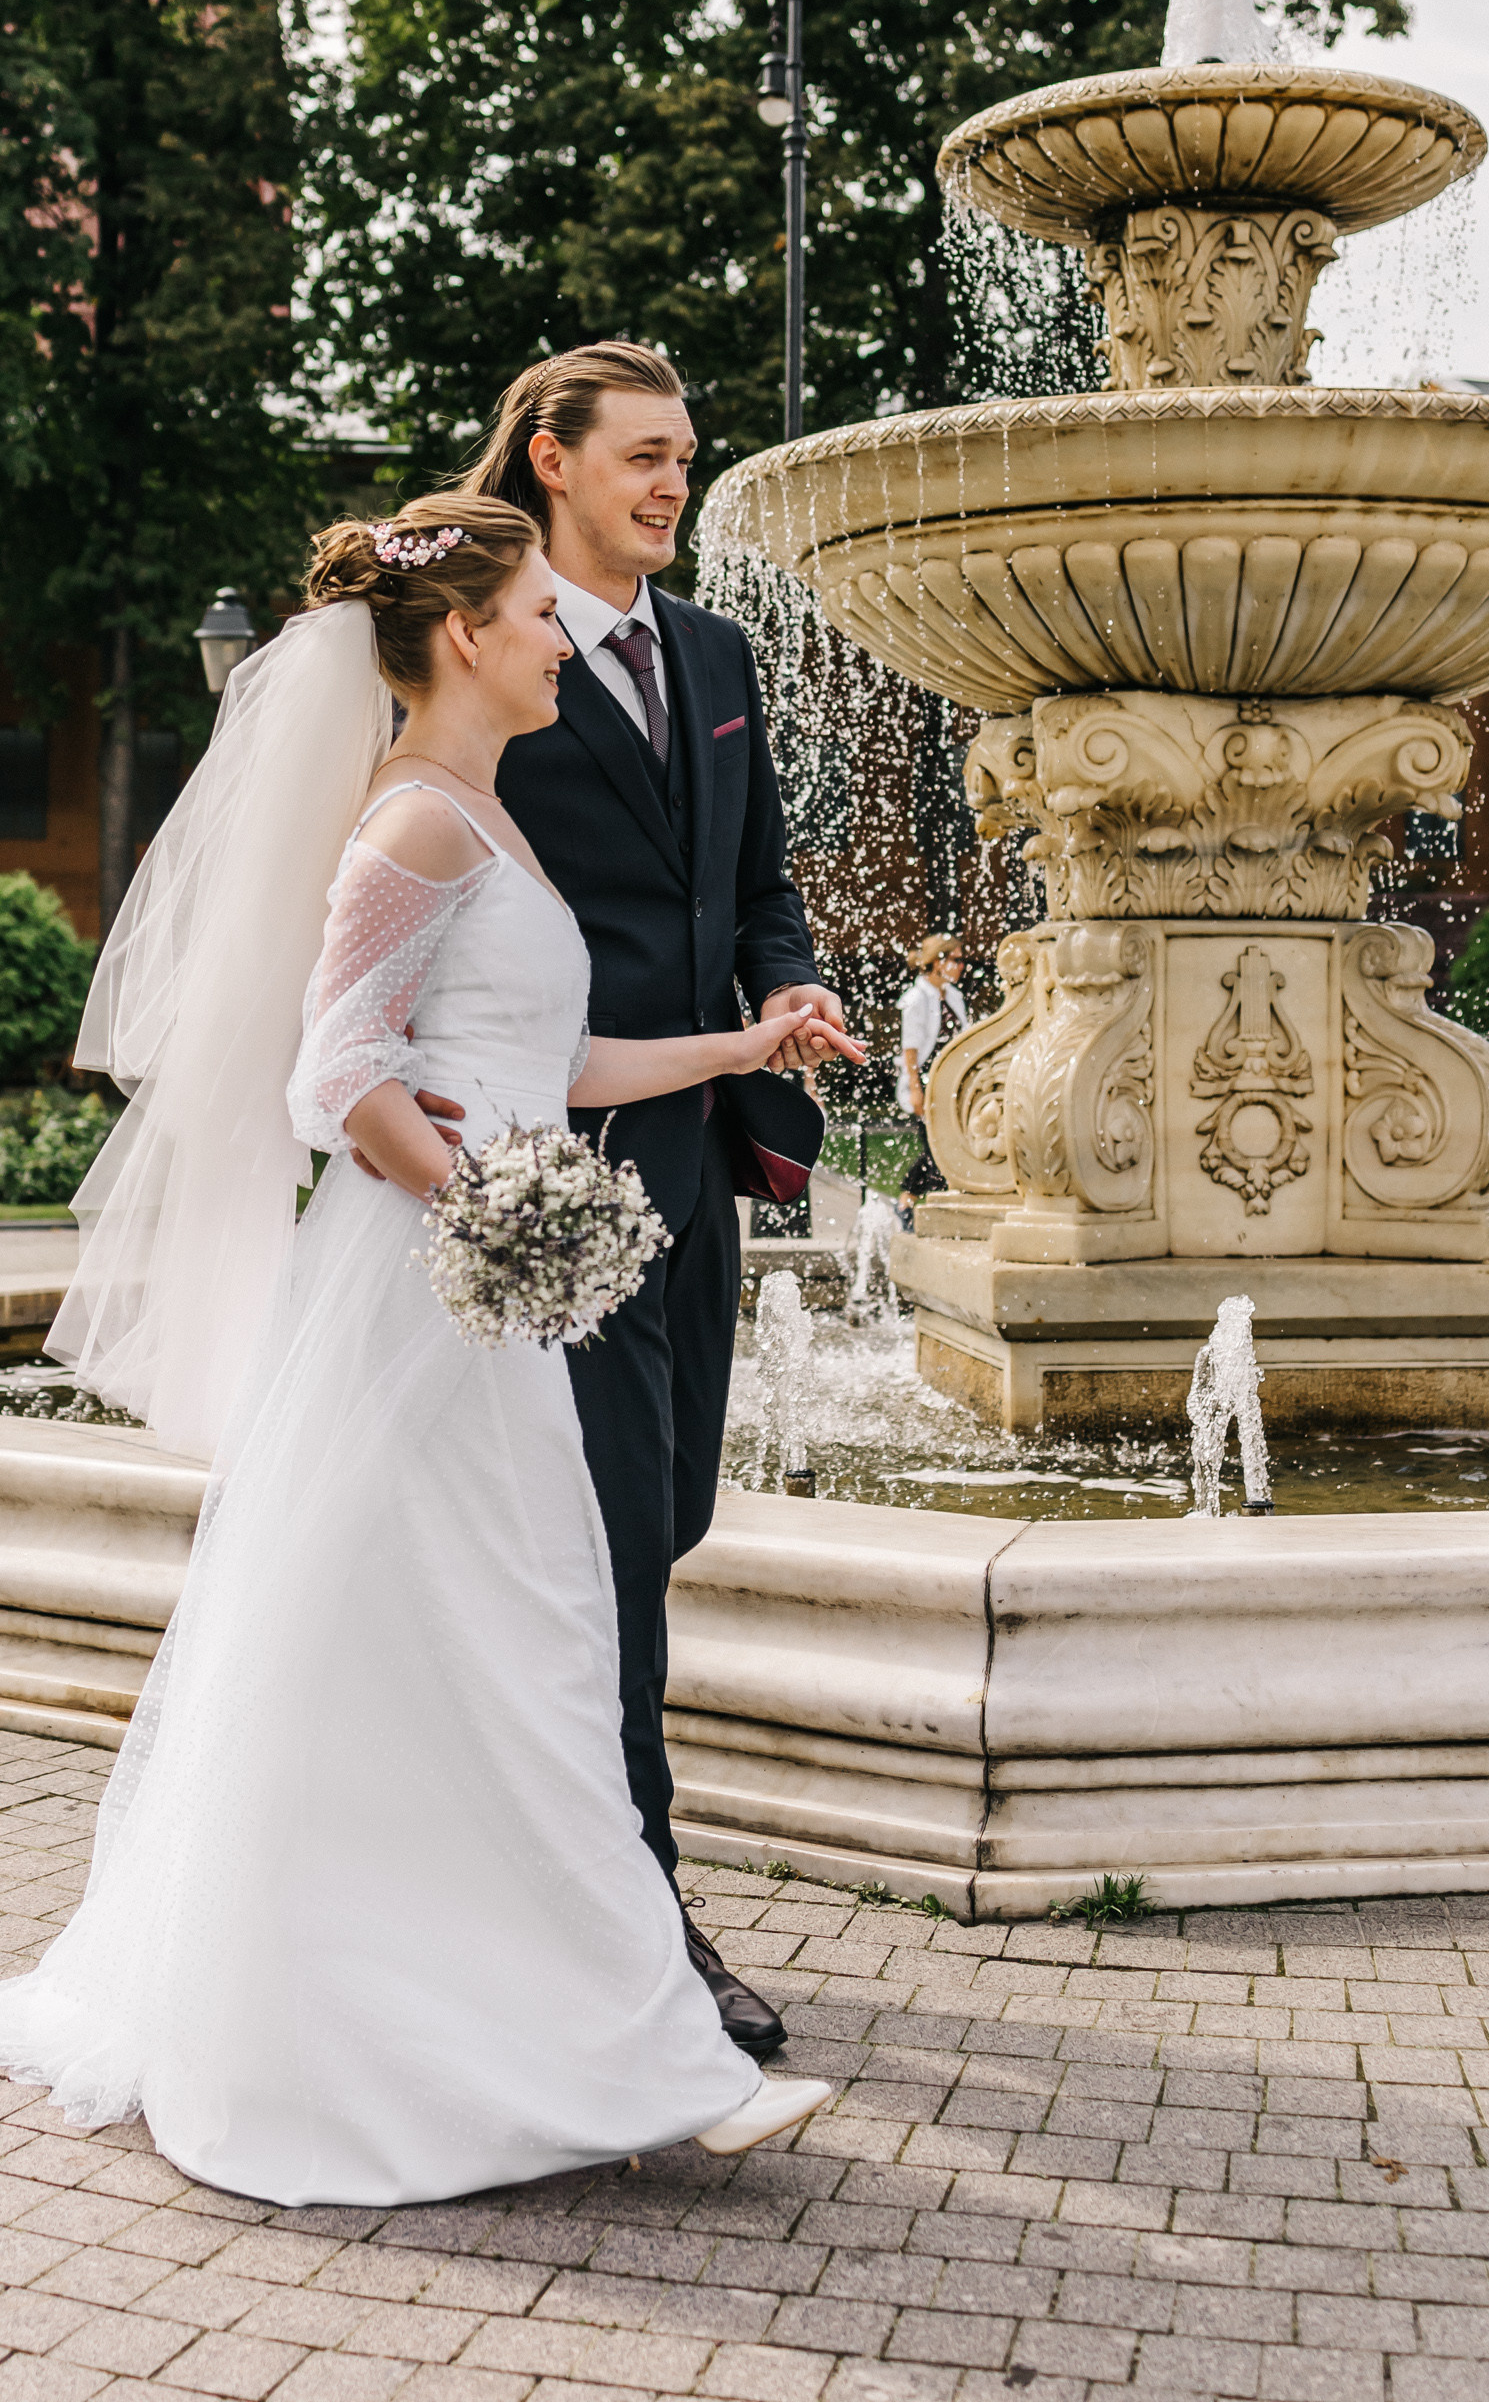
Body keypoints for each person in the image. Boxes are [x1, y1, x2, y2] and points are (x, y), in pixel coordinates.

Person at [0, 496, 863, 2205]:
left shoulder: (483, 814)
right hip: (428, 1297)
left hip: (482, 1293)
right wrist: (489, 1207)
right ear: (461, 635)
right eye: (532, 612)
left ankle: (581, 2034)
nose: (555, 639)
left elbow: (550, 1056)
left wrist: (745, 1038)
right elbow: (335, 1073)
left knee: (503, 1642)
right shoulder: (416, 829)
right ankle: (581, 2051)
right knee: (476, 1638)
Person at [454, 343, 844, 2058]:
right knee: (608, 1552)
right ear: (550, 457)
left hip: (697, 1165)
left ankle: (534, 1869)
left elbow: (755, 887)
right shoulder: (479, 640)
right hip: (551, 1182)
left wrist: (789, 997)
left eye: (686, 459)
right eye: (643, 457)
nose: (673, 485)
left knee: (663, 1519)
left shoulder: (713, 652)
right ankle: (644, 1930)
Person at [898, 932, 967, 1198]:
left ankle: (909, 1201)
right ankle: (908, 1200)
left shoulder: (954, 996)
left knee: (945, 1149)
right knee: (937, 1150)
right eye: (956, 960)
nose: (961, 966)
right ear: (938, 962)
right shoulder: (917, 998)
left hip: (949, 1082)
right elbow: (910, 1049)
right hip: (927, 1081)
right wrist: (916, 1089)